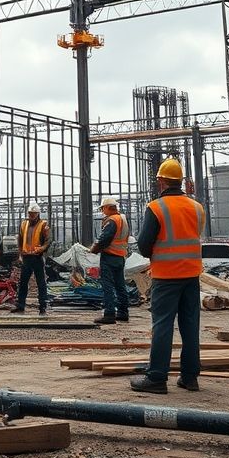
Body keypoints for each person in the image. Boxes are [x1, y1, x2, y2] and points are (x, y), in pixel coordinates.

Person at [130, 158, 205, 395]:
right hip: (191, 275)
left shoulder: (156, 207)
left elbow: (143, 246)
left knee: (162, 326)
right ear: (179, 181)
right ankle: (190, 377)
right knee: (190, 326)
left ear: (161, 181)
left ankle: (157, 378)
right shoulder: (196, 207)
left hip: (166, 276)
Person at [90, 195, 130, 325]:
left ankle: (109, 314)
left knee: (107, 285)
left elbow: (104, 239)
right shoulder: (122, 219)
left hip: (109, 256)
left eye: (103, 208)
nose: (103, 211)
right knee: (120, 285)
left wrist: (94, 249)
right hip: (120, 256)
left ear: (108, 207)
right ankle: (123, 312)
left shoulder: (111, 221)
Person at [13, 202, 50, 315]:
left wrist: (41, 249)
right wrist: (20, 254)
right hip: (26, 258)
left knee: (41, 283)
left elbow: (48, 241)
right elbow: (20, 240)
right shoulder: (24, 224)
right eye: (30, 213)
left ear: (38, 214)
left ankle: (42, 306)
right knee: (23, 282)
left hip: (37, 257)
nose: (31, 215)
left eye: (33, 213)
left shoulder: (43, 225)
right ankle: (20, 305)